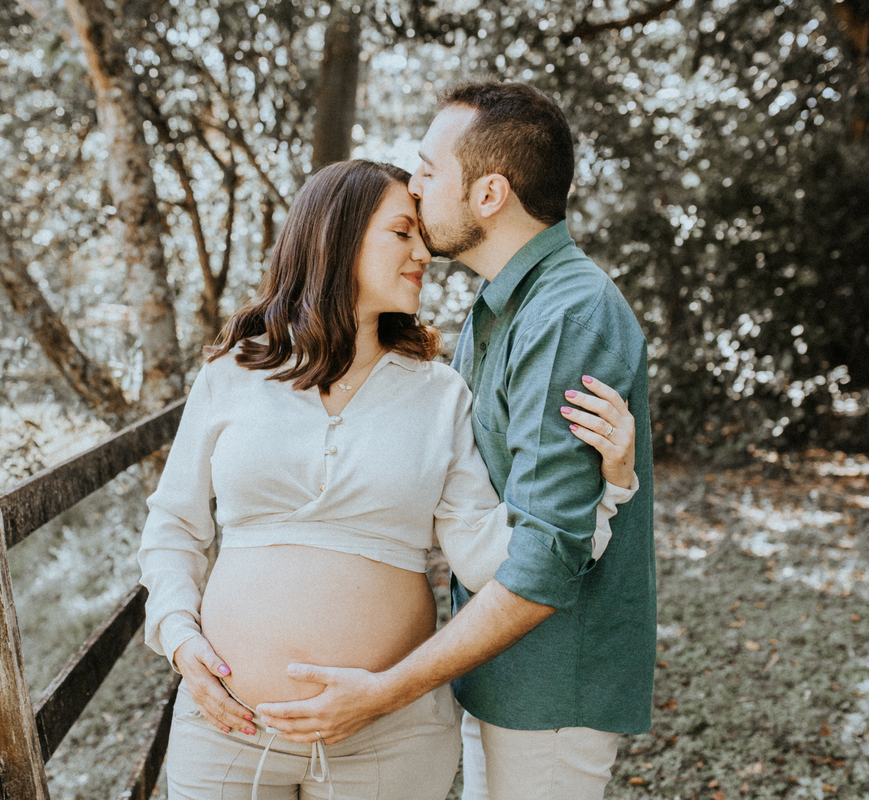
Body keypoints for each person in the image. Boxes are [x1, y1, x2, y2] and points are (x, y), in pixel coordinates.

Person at [137, 158, 639, 800]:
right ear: (336, 237)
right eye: (402, 233)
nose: (423, 253)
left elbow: (487, 556)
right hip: (227, 731)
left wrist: (606, 487)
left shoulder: (438, 393)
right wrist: (179, 637)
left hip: (390, 740)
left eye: (420, 237)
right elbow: (174, 525)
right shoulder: (233, 374)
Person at [253, 82, 656, 800]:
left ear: (490, 193)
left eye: (430, 169)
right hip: (493, 670)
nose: (414, 186)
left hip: (548, 686)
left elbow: (546, 559)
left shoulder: (567, 315)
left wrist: (385, 691)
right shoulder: (499, 309)